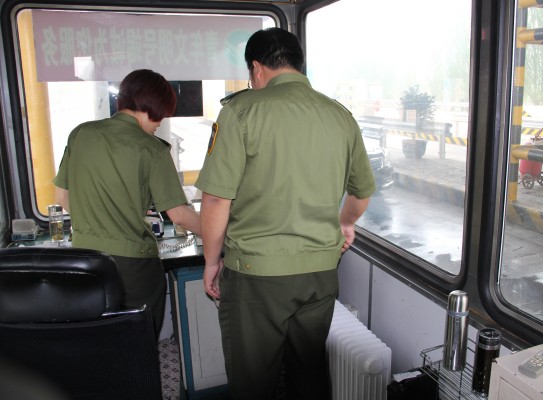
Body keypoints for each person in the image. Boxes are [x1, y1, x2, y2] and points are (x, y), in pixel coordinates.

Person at [195, 28, 376, 399]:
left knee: (253, 382)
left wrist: (212, 261)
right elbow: (361, 193)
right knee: (308, 373)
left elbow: (214, 201)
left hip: (256, 275)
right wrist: (344, 224)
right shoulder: (340, 115)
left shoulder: (240, 112)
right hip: (320, 274)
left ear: (257, 68)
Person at [54, 69, 202, 337]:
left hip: (85, 263)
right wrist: (218, 231)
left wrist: (97, 223)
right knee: (138, 343)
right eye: (162, 116)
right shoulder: (152, 148)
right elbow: (179, 215)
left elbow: (62, 197)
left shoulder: (80, 134)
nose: (159, 124)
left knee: (99, 339)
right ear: (153, 107)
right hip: (133, 267)